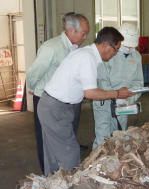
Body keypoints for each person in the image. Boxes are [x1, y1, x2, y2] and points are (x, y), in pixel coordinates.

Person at [37, 27, 134, 176]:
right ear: (106, 45)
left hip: (52, 105)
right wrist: (117, 94)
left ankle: (52, 187)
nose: (115, 54)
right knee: (70, 154)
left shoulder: (86, 54)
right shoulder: (87, 58)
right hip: (56, 108)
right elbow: (90, 93)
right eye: (116, 49)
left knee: (53, 152)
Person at [26, 13, 89, 173]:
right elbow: (34, 72)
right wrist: (33, 88)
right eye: (83, 33)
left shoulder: (76, 49)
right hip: (47, 99)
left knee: (67, 136)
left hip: (69, 102)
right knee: (46, 140)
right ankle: (48, 175)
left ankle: (63, 172)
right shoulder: (51, 47)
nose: (86, 37)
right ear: (71, 30)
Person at [92, 23, 144, 149]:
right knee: (103, 138)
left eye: (132, 47)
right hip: (104, 102)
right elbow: (102, 80)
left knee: (119, 137)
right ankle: (97, 165)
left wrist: (128, 99)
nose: (129, 49)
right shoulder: (108, 54)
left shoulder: (136, 57)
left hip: (123, 104)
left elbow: (138, 83)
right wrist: (115, 95)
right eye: (126, 46)